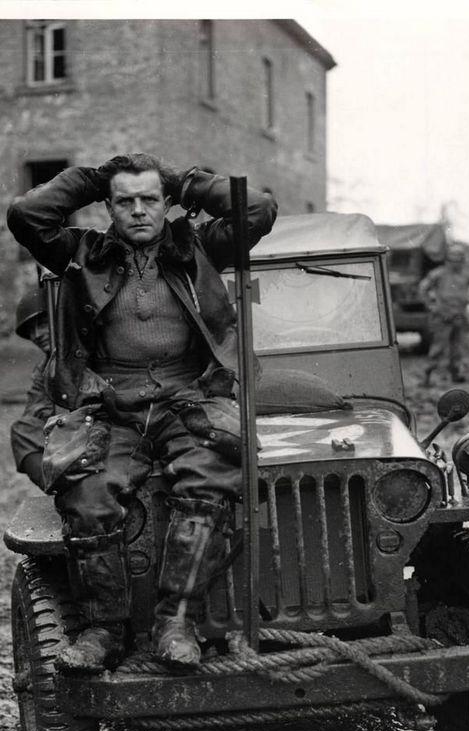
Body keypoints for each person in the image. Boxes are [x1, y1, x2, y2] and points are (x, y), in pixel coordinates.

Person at [7, 154, 277, 673]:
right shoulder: (80, 253)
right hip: (109, 403)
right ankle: (103, 630)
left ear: (165, 201)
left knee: (212, 476)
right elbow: (27, 214)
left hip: (190, 397)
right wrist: (93, 177)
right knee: (86, 492)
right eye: (124, 201)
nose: (137, 211)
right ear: (107, 206)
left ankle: (177, 621)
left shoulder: (198, 246)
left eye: (149, 199)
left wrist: (183, 182)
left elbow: (258, 208)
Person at [419, 242, 469, 385]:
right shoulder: (438, 273)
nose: (455, 263)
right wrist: (431, 305)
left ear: (462, 260)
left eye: (458, 260)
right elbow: (423, 288)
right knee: (438, 348)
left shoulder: (467, 274)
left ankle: (455, 374)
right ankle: (427, 376)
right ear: (447, 260)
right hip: (442, 316)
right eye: (453, 259)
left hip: (459, 315)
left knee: (457, 348)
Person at [11, 286, 54, 491]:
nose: (36, 334)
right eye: (31, 330)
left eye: (43, 323)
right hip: (63, 431)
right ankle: (65, 492)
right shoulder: (44, 368)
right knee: (21, 431)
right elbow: (32, 415)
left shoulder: (85, 351)